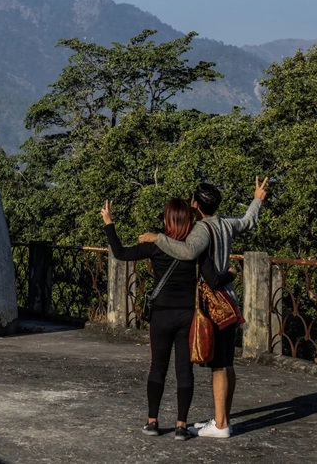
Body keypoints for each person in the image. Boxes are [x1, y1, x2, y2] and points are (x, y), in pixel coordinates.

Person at [139, 177, 268, 438]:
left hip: (212, 301)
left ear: (195, 204)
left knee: (218, 364)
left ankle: (221, 425)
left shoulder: (200, 229)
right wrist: (257, 199)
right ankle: (221, 418)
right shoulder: (225, 224)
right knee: (226, 362)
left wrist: (158, 238)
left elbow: (186, 251)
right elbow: (247, 220)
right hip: (229, 300)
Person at [101, 198, 232, 441]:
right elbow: (213, 280)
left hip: (161, 314)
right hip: (187, 315)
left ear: (166, 220)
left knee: (157, 367)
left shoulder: (156, 245)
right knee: (185, 371)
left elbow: (120, 253)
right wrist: (229, 274)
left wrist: (109, 222)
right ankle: (181, 425)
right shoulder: (194, 249)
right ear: (190, 222)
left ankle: (152, 422)